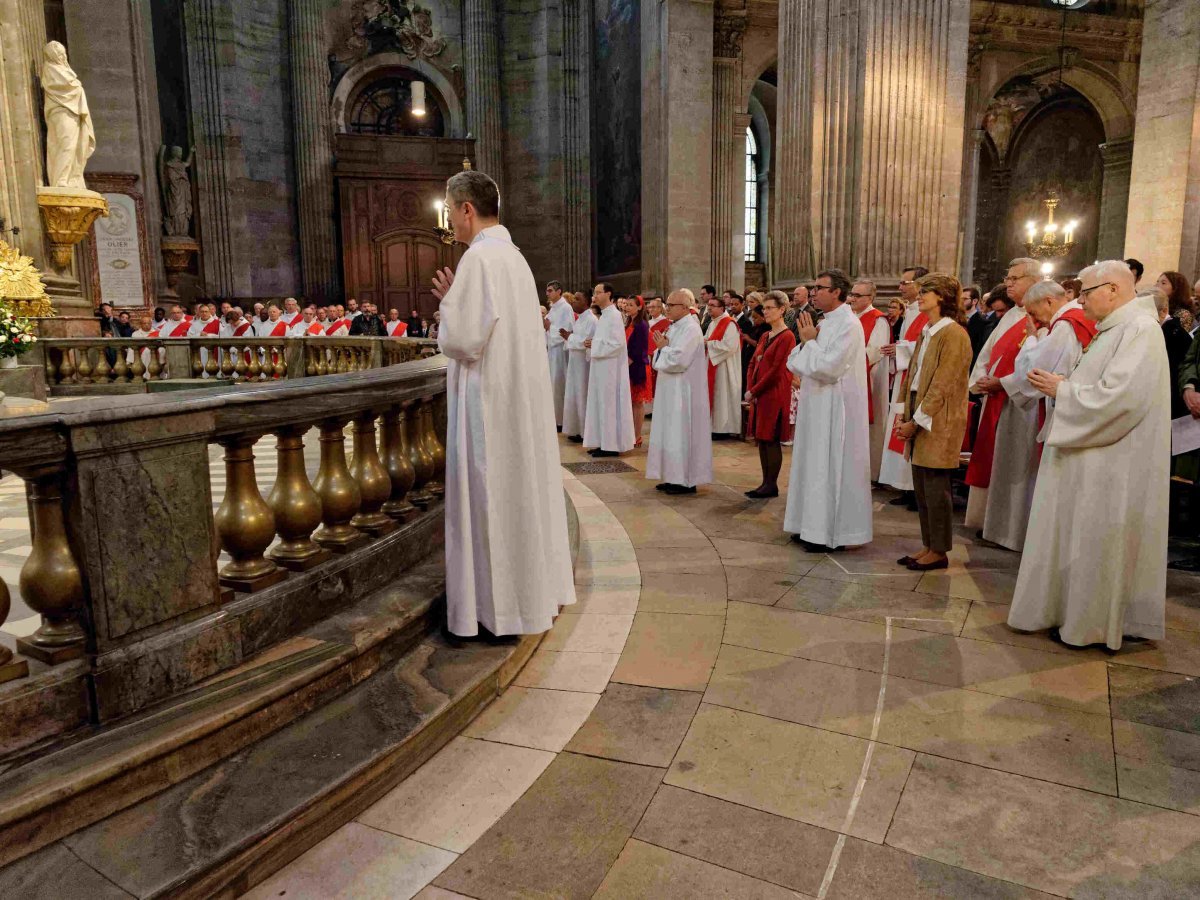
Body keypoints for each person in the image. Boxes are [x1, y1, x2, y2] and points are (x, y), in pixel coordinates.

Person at [429, 169, 575, 638]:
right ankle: (523, 601)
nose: (451, 220)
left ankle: (494, 611)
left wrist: (448, 305)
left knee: (490, 497)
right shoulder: (514, 258)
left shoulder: (479, 259)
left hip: (488, 404)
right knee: (517, 498)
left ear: (467, 210)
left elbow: (465, 340)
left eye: (452, 211)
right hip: (517, 400)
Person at [1007, 261, 1168, 650]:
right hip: (1092, 455)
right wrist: (1066, 388)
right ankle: (1069, 614)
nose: (1080, 300)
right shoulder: (1116, 329)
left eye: (1086, 292)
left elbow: (1121, 400)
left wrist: (1063, 390)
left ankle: (1090, 624)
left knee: (1098, 540)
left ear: (1112, 290)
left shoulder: (1139, 331)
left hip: (1111, 463)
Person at [783, 268, 872, 552]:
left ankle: (828, 533)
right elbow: (795, 361)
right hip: (815, 403)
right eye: (814, 287)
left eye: (820, 287)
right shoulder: (824, 321)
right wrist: (808, 343)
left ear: (837, 292)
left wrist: (809, 342)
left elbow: (829, 368)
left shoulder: (848, 323)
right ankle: (807, 525)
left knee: (827, 466)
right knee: (811, 463)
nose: (814, 292)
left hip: (835, 408)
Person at [892, 274, 972, 571]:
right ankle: (928, 545)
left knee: (937, 489)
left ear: (942, 297)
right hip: (919, 412)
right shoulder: (928, 330)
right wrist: (903, 411)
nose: (919, 295)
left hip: (939, 419)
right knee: (922, 487)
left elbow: (944, 383)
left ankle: (939, 551)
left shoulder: (954, 333)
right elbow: (913, 373)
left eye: (926, 291)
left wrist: (917, 420)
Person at [965, 258, 1038, 541]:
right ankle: (993, 523)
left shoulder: (1039, 313)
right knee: (994, 460)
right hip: (995, 398)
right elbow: (987, 352)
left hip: (1021, 404)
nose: (1008, 283)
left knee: (1014, 463)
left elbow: (1039, 360)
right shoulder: (1010, 314)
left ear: (1034, 280)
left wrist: (1003, 383)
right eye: (1008, 278)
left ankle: (1012, 530)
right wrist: (981, 380)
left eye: (1015, 278)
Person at [1010, 280, 1097, 446]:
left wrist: (1031, 338)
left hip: (1067, 406)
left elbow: (1036, 370)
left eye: (1034, 313)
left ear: (1049, 301)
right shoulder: (1080, 315)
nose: (1035, 320)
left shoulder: (1065, 325)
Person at [647, 289, 713, 495]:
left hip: (684, 392)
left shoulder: (691, 329)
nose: (667, 308)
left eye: (671, 304)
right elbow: (664, 351)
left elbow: (679, 360)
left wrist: (663, 348)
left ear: (685, 307)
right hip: (670, 389)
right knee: (669, 433)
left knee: (681, 433)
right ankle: (671, 476)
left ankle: (685, 480)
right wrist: (662, 348)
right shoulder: (675, 326)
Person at [878, 266, 930, 508]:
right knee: (899, 427)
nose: (900, 287)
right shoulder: (912, 310)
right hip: (904, 375)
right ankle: (904, 486)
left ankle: (914, 489)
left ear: (920, 284)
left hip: (917, 379)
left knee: (909, 429)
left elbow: (925, 347)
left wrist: (899, 349)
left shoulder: (927, 312)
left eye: (905, 282)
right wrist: (898, 349)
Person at [744, 290, 796, 498]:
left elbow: (776, 370)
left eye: (769, 308)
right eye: (763, 308)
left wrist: (754, 390)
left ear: (782, 309)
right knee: (762, 438)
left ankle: (771, 484)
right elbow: (753, 362)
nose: (764, 312)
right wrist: (751, 388)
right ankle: (765, 482)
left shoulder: (787, 336)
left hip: (774, 393)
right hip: (759, 394)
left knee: (771, 438)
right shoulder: (765, 335)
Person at [582, 282, 635, 457]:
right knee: (600, 405)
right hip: (601, 368)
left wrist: (594, 344)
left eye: (598, 293)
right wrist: (593, 343)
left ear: (608, 294)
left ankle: (610, 445)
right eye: (594, 293)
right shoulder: (605, 315)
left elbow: (617, 344)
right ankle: (602, 441)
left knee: (609, 406)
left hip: (610, 370)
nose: (594, 296)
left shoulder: (613, 316)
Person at [850, 280, 889, 482]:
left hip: (871, 380)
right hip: (851, 379)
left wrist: (847, 364)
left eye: (858, 296)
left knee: (871, 428)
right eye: (852, 294)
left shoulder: (878, 319)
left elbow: (875, 351)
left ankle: (872, 473)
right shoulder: (851, 318)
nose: (853, 299)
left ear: (871, 298)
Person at [704, 295, 743, 438]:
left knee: (723, 397)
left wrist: (708, 344)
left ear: (722, 308)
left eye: (713, 306)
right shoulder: (712, 323)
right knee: (716, 397)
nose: (709, 308)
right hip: (714, 364)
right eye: (709, 305)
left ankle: (724, 429)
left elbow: (729, 347)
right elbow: (707, 339)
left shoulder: (729, 323)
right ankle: (714, 427)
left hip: (726, 368)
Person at [563, 304, 599, 441]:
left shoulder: (591, 320)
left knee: (583, 395)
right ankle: (577, 429)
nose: (574, 302)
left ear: (586, 301)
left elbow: (585, 342)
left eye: (578, 299)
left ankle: (585, 432)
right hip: (575, 363)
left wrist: (569, 337)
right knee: (575, 395)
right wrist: (569, 337)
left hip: (584, 365)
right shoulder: (580, 319)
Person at [544, 281, 575, 431]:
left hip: (561, 351)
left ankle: (561, 421)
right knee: (553, 385)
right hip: (552, 350)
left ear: (559, 291)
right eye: (547, 291)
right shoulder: (553, 309)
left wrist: (550, 328)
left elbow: (567, 330)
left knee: (559, 384)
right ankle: (554, 419)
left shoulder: (565, 308)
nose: (547, 293)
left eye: (550, 291)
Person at [626, 296, 651, 447]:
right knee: (630, 402)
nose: (627, 307)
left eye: (631, 305)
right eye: (627, 305)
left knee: (637, 403)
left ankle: (637, 435)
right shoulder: (629, 322)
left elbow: (640, 348)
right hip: (628, 365)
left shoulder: (641, 325)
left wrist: (629, 360)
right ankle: (630, 434)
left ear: (640, 307)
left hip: (637, 366)